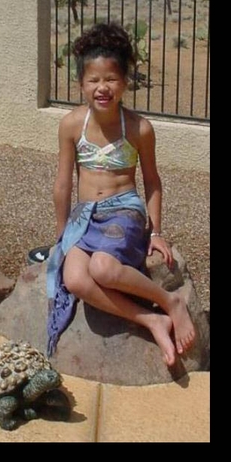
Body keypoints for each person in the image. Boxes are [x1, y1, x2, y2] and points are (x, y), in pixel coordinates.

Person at [46, 21, 195, 367]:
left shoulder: (140, 128)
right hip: (85, 216)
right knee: (75, 277)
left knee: (103, 267)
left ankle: (172, 302)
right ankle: (151, 318)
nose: (103, 88)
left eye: (111, 79)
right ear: (81, 84)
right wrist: (60, 235)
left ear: (125, 82)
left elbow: (153, 182)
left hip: (123, 211)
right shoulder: (71, 125)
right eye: (94, 80)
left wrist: (155, 233)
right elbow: (63, 184)